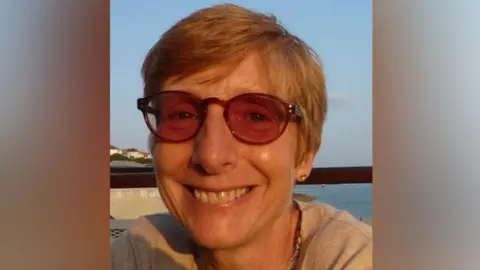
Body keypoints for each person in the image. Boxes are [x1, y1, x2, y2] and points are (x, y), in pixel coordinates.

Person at [111, 4, 372, 270]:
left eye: (256, 117)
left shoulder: (355, 258)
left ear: (305, 154)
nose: (211, 156)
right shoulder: (141, 251)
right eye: (182, 115)